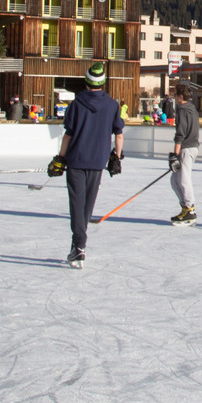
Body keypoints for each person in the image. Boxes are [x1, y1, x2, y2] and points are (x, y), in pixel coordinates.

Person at [49, 61, 124, 268]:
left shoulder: (76, 104)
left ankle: (79, 246)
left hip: (76, 160)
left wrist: (60, 158)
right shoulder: (112, 105)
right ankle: (79, 245)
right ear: (103, 82)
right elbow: (118, 134)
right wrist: (116, 157)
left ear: (86, 81)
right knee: (87, 206)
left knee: (77, 204)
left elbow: (69, 135)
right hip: (97, 163)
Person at [169, 85, 201, 225]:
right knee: (175, 180)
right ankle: (185, 207)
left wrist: (175, 155)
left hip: (186, 148)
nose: (174, 97)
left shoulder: (182, 110)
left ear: (180, 97)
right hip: (191, 148)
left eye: (175, 95)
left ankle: (190, 209)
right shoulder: (191, 107)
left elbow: (180, 134)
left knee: (183, 179)